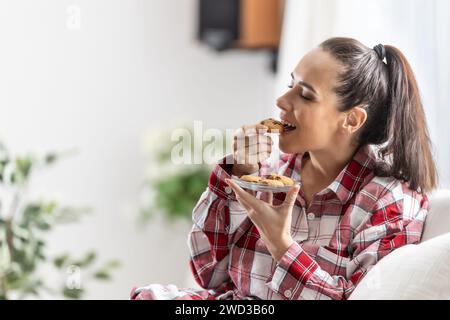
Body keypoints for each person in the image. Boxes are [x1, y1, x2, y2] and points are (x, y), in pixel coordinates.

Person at [131, 37, 437, 300]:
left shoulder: (388, 200)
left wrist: (282, 245)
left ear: (352, 119)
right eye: (291, 84)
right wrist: (238, 173)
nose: (281, 99)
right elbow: (208, 275)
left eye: (305, 94)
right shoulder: (269, 172)